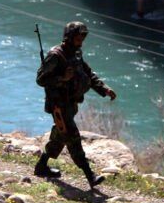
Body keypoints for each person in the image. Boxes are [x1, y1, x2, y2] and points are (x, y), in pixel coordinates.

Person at [34, 21, 117, 189]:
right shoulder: (56, 55)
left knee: (59, 136)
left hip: (72, 103)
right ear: (69, 37)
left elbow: (88, 73)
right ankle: (90, 175)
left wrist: (104, 89)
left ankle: (41, 165)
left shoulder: (77, 54)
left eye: (82, 38)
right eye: (79, 38)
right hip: (59, 105)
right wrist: (62, 78)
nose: (81, 41)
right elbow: (41, 79)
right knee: (72, 137)